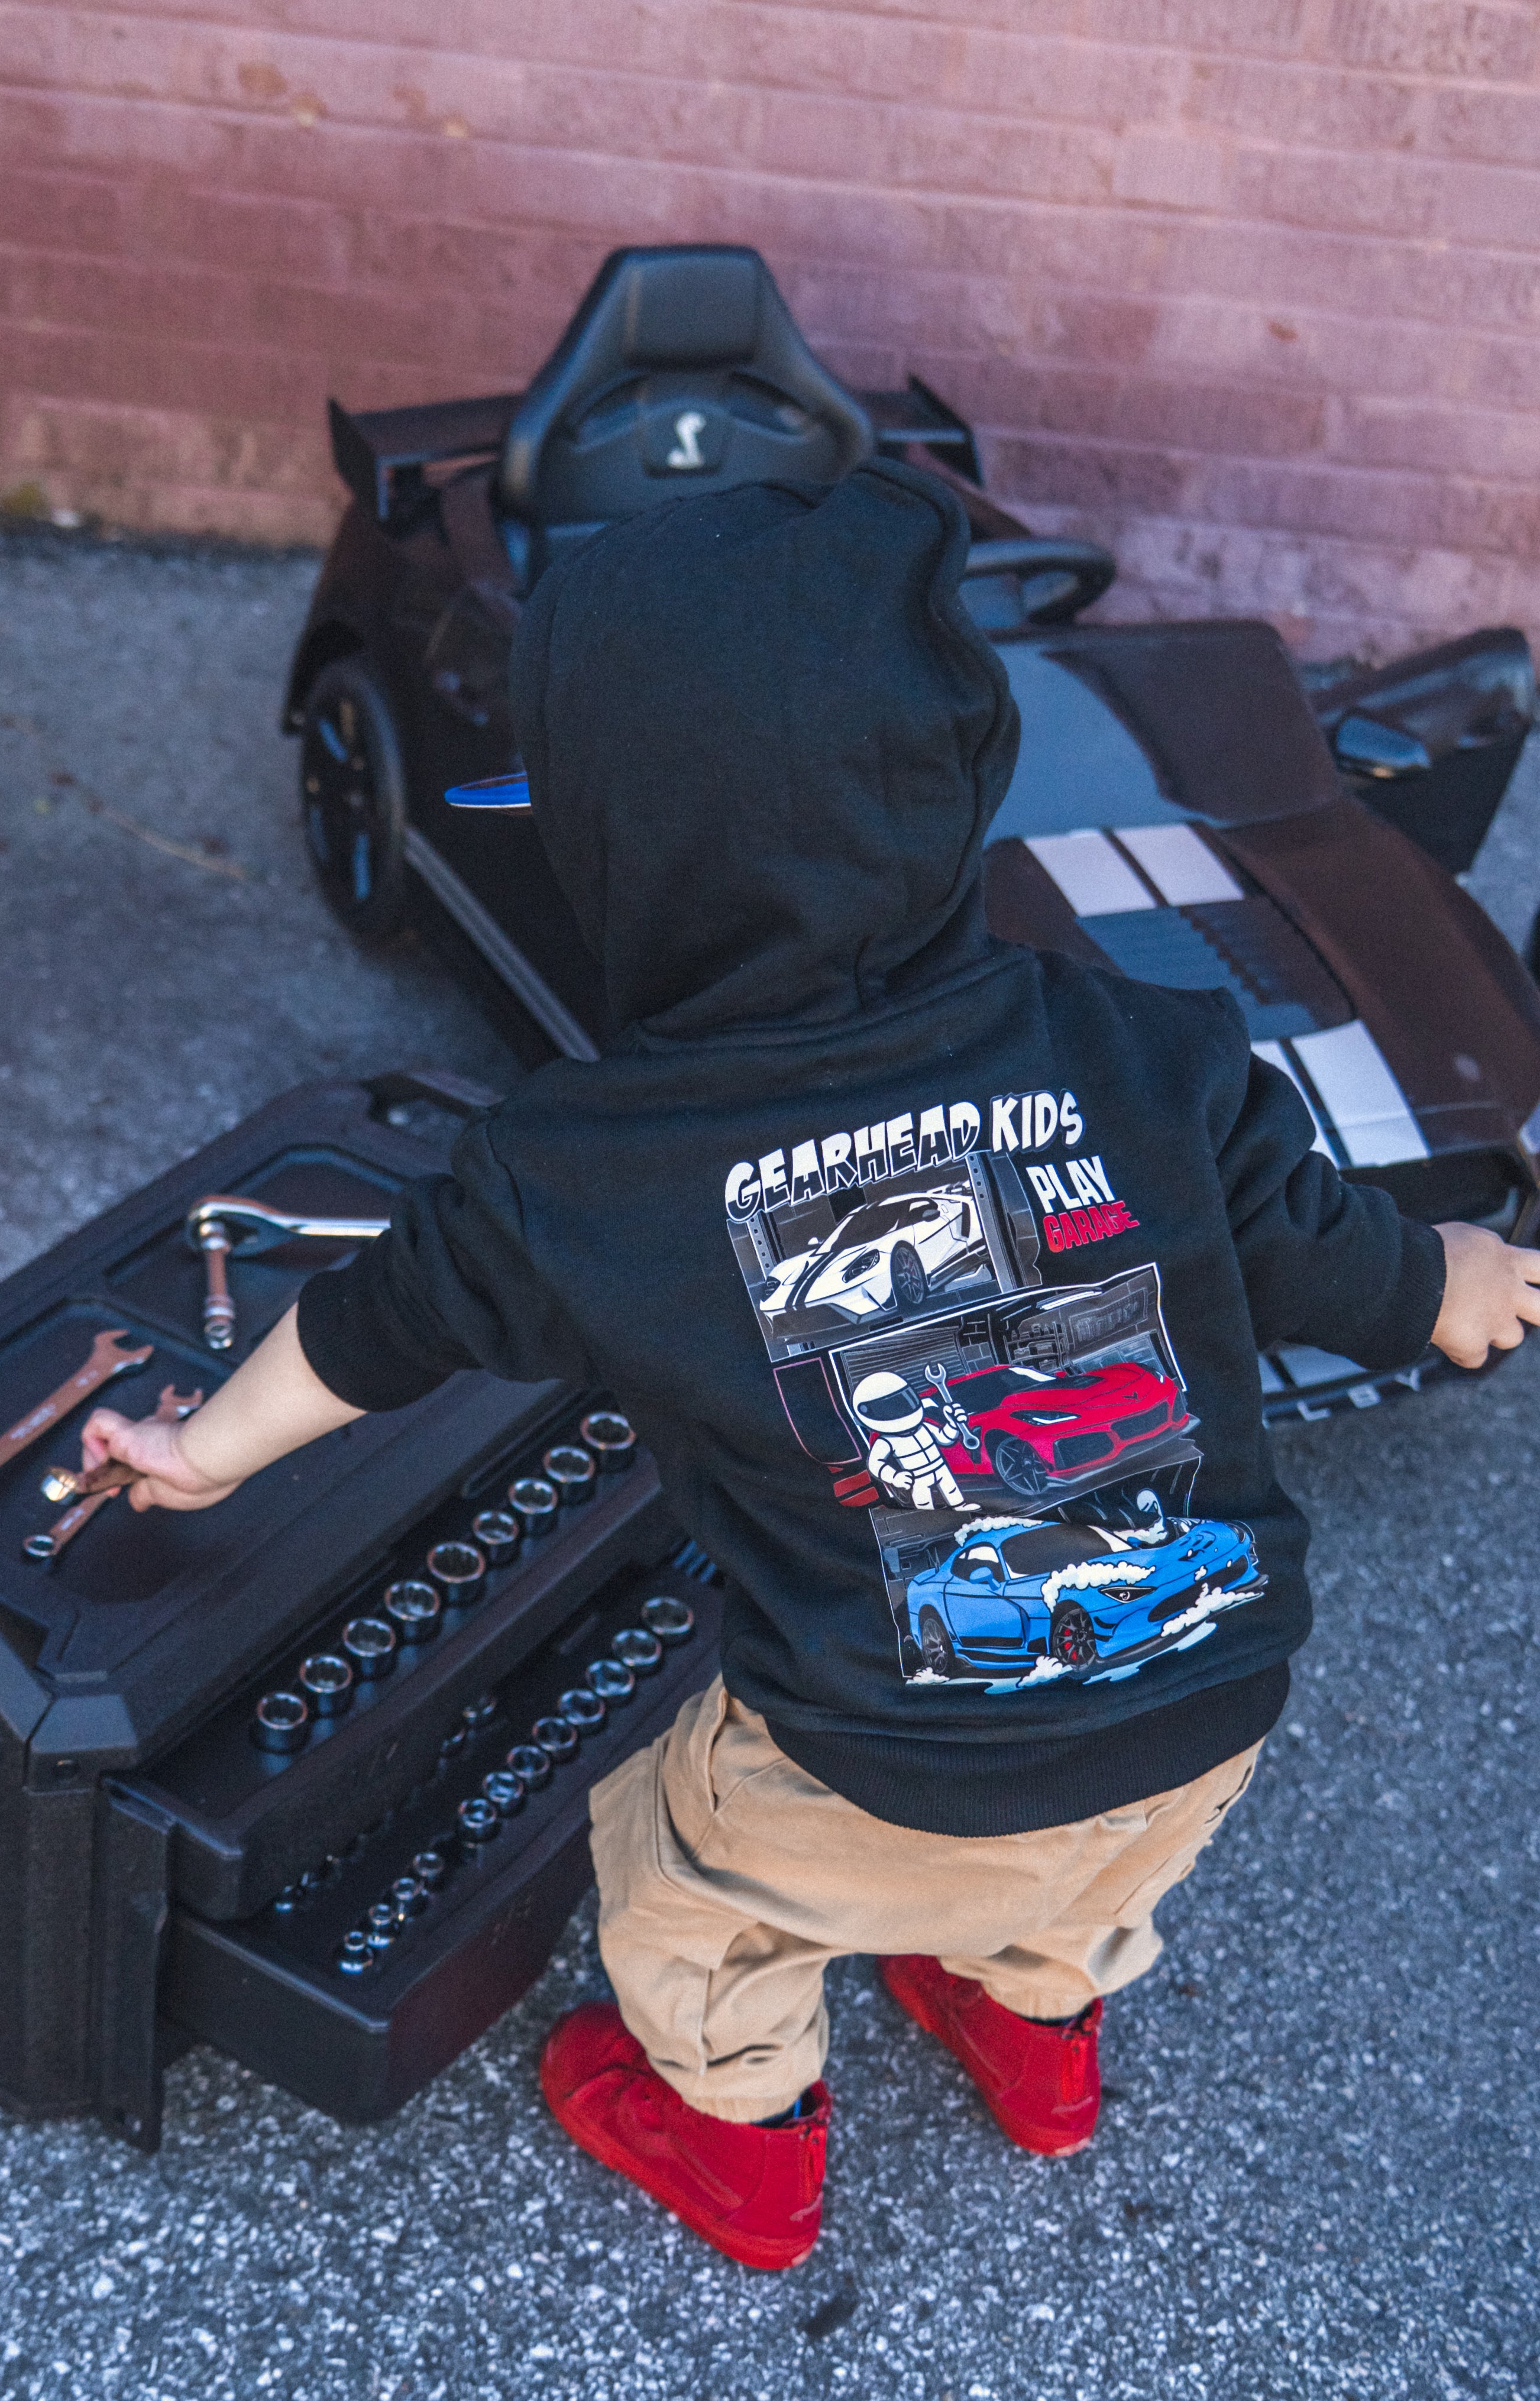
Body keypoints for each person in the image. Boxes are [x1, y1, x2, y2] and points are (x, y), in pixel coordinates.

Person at [81, 462, 1540, 2274]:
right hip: (1206, 1714)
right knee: (1077, 1871)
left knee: (680, 1860)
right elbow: (1343, 1253)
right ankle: (1037, 2040)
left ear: (622, 837)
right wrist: (1458, 1280)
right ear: (947, 781)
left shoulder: (587, 1169)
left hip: (876, 1763)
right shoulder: (1147, 1046)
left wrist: (208, 1448)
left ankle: (738, 2140)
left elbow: (375, 1328)